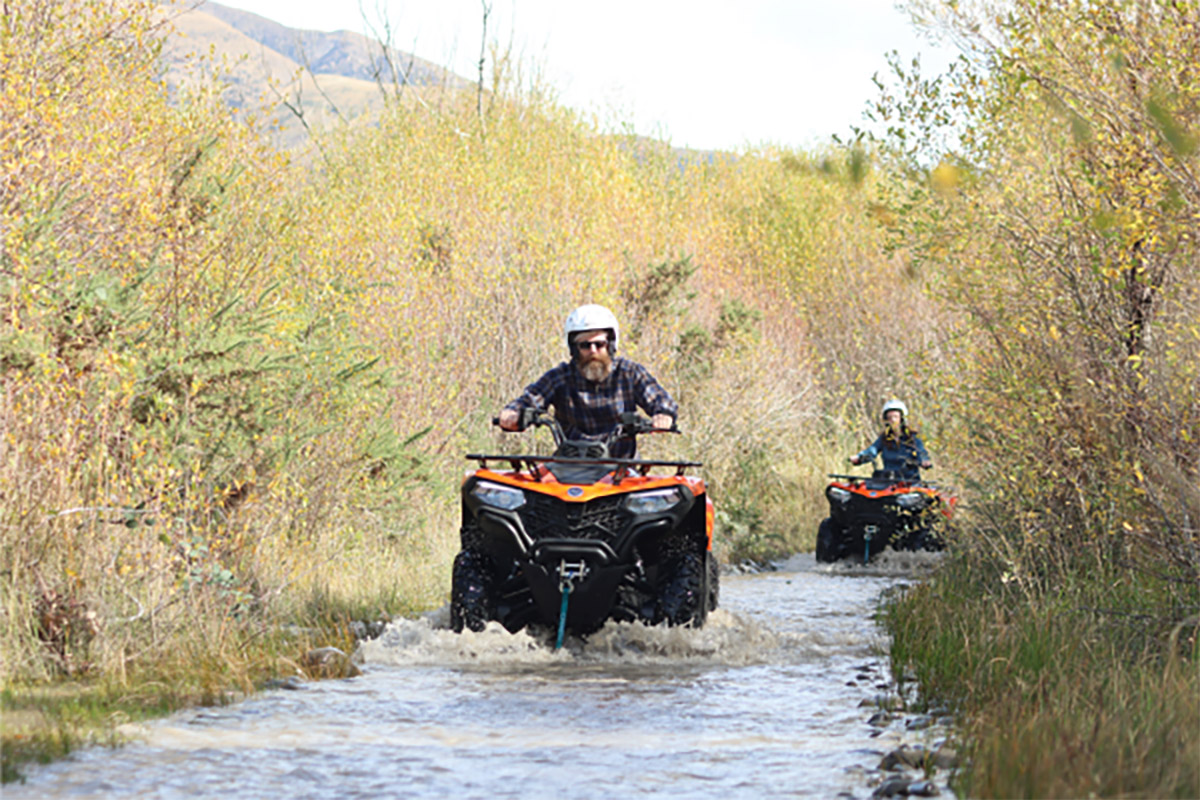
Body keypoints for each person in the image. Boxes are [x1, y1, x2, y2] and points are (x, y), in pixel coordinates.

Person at [498, 304, 677, 458]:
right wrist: (513, 413)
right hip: (570, 467)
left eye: (599, 344)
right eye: (585, 345)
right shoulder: (560, 377)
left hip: (622, 469)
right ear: (574, 349)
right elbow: (530, 399)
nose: (593, 351)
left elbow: (660, 399)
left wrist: (663, 415)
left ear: (611, 345)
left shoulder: (629, 373)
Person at [849, 399, 932, 480]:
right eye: (889, 418)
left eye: (895, 417)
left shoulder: (912, 438)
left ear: (902, 418)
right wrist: (859, 458)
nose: (893, 420)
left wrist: (924, 461)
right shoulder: (884, 438)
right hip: (889, 481)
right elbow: (872, 450)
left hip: (910, 482)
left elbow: (921, 452)